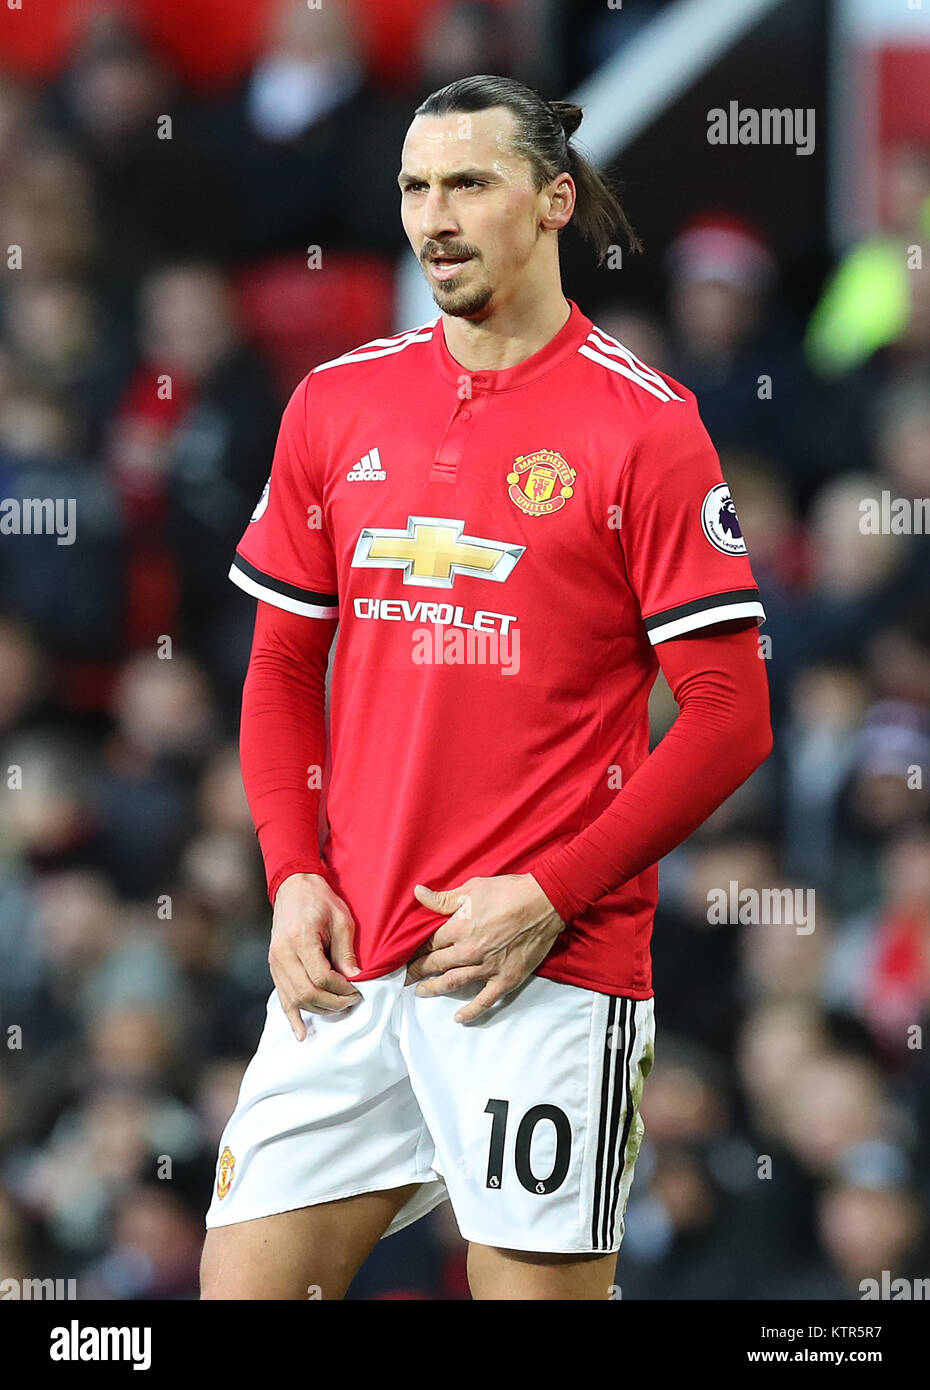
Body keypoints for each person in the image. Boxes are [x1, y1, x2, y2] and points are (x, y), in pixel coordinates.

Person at [199, 74, 773, 1302]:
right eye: (415, 187)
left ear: (553, 199)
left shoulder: (645, 425)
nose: (434, 217)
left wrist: (549, 891)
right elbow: (283, 664)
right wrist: (291, 872)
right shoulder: (334, 400)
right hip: (345, 959)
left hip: (538, 975)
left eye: (468, 182)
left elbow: (730, 718)